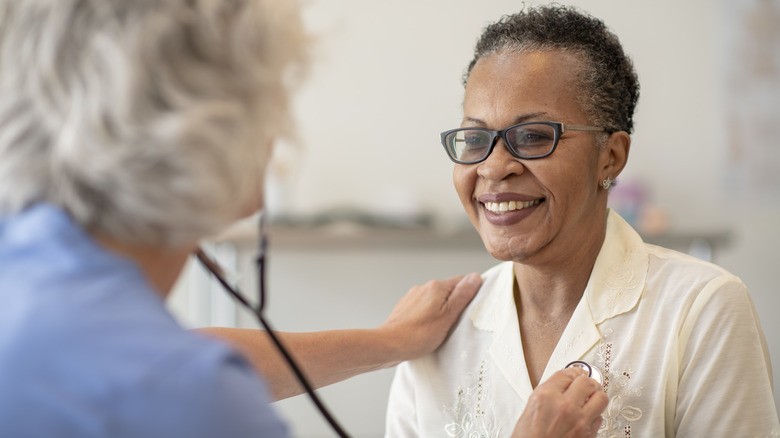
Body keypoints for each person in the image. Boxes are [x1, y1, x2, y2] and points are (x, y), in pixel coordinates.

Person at [0, 1, 606, 437]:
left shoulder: (26, 278)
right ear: (213, 131)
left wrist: (388, 343)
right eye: (272, 98)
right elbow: (170, 376)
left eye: (532, 136)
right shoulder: (187, 397)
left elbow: (164, 354)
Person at [385, 5, 780, 438]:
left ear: (610, 156)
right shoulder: (435, 335)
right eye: (476, 138)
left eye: (534, 136)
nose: (494, 167)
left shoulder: (700, 309)